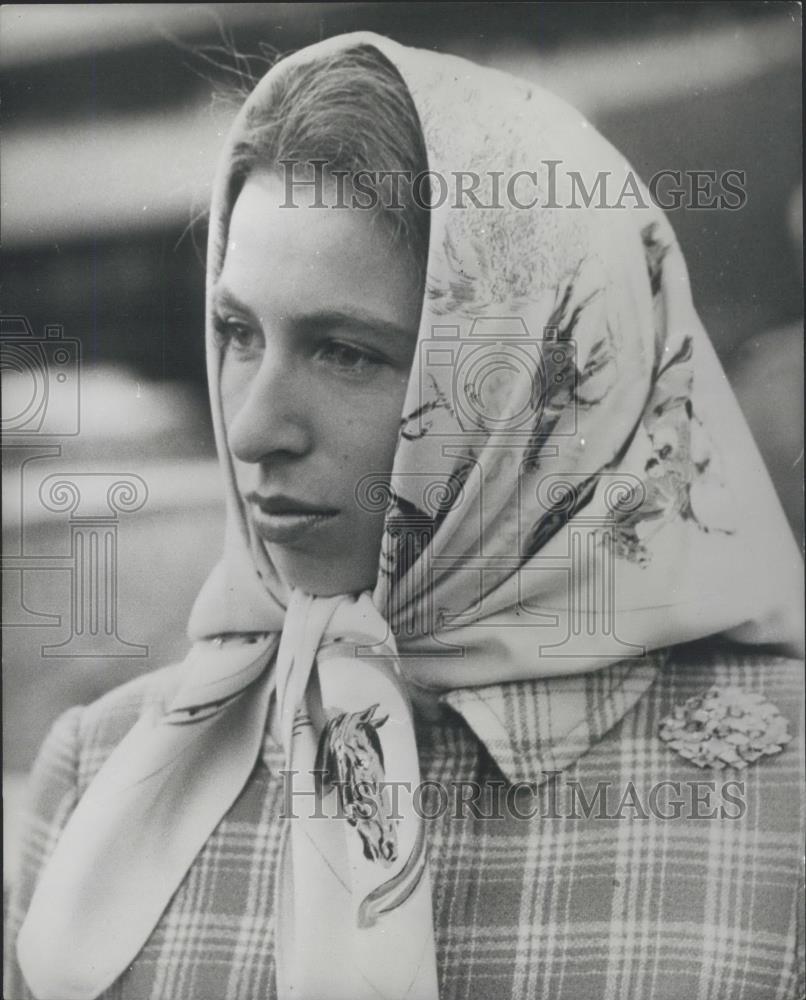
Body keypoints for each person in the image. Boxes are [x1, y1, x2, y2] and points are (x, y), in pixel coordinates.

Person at [4, 31, 804, 1000]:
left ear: (535, 392)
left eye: (346, 352)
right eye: (236, 332)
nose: (253, 426)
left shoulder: (778, 795)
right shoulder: (105, 769)